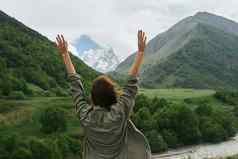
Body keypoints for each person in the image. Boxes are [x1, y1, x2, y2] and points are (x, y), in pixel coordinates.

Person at [55, 30, 151, 159]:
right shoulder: (119, 114)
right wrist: (140, 52)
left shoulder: (86, 116)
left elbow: (76, 88)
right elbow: (130, 86)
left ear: (93, 98)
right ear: (112, 95)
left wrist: (65, 54)